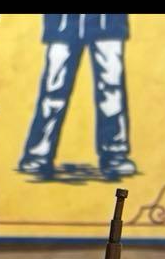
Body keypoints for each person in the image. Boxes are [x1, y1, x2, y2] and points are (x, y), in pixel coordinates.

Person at [19, 13, 135, 180]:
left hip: (107, 22)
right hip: (63, 23)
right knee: (54, 88)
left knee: (111, 89)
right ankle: (38, 153)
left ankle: (115, 154)